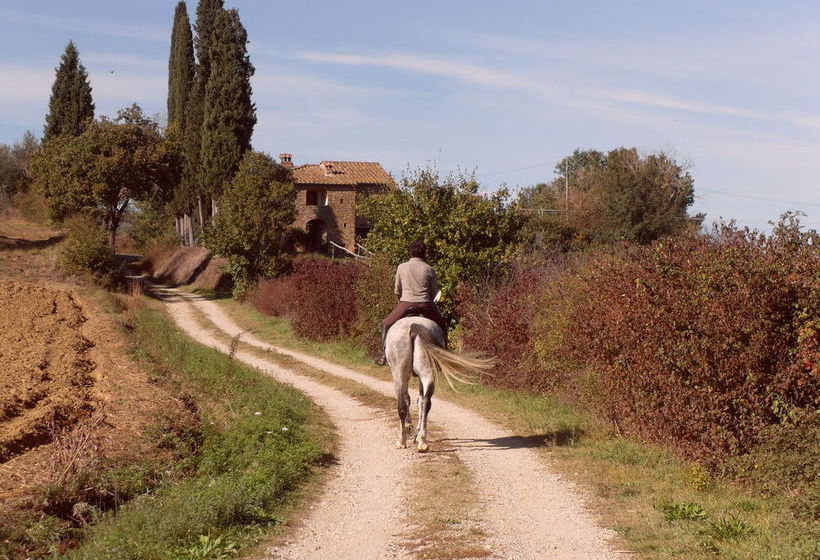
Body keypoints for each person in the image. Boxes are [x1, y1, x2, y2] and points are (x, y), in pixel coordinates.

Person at [374, 240, 448, 366]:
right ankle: (445, 355)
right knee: (442, 325)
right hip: (426, 304)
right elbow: (434, 292)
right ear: (425, 253)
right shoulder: (430, 269)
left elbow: (397, 290)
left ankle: (382, 355)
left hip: (406, 304)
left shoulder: (401, 267)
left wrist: (400, 300)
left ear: (411, 252)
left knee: (385, 324)